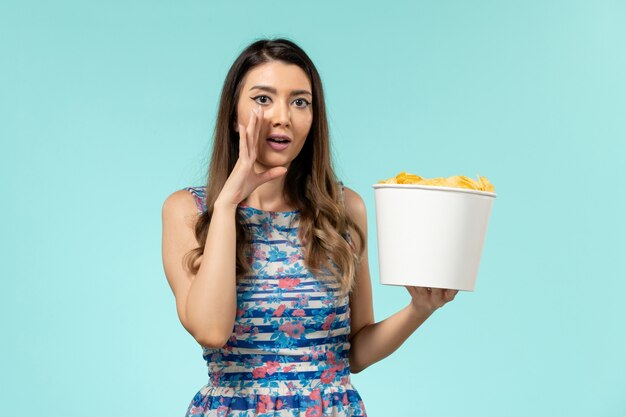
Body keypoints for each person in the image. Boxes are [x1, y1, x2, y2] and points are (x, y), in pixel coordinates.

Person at [161, 38, 459, 417]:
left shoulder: (344, 208)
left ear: (314, 118)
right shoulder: (190, 210)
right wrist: (227, 205)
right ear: (233, 114)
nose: (282, 116)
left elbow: (355, 351)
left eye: (300, 101)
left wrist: (420, 309)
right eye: (263, 99)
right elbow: (211, 331)